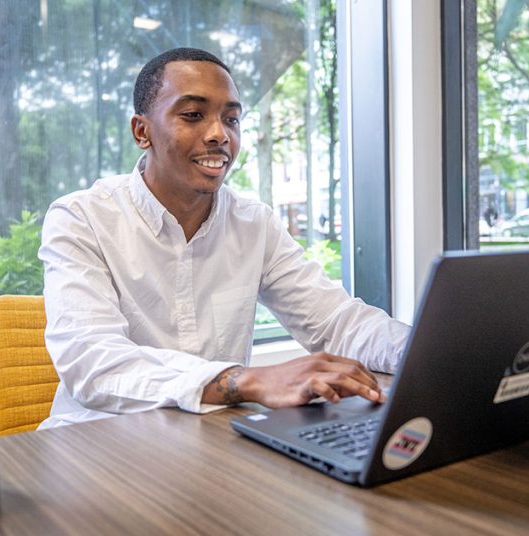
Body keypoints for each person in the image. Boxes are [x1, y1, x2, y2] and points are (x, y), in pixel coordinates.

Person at [37, 48, 409, 430]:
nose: (219, 134)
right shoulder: (81, 218)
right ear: (141, 131)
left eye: (231, 119)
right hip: (96, 446)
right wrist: (249, 380)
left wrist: (432, 354)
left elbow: (338, 323)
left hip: (210, 444)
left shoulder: (254, 224)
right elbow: (94, 365)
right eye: (193, 115)